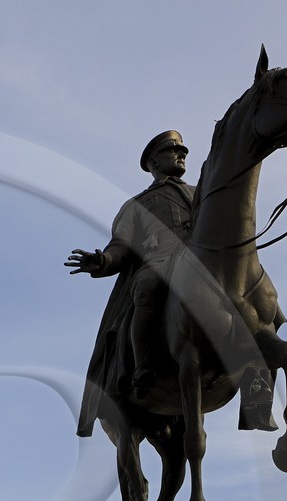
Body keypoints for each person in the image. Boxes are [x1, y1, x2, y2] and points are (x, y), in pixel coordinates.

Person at [68, 130, 196, 433]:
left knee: (255, 291)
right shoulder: (137, 205)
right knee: (147, 286)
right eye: (173, 150)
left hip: (201, 264)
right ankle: (142, 366)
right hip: (160, 266)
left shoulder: (201, 192)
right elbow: (121, 246)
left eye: (183, 151)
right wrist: (103, 261)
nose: (181, 154)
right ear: (154, 162)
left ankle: (256, 376)